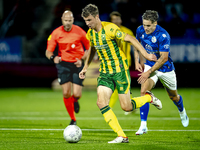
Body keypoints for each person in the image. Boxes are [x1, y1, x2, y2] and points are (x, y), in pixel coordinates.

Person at [79, 4, 162, 143]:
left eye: (89, 20)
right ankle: (122, 136)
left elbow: (131, 39)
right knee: (101, 102)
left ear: (97, 17)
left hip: (120, 71)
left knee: (127, 107)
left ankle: (149, 98)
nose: (87, 23)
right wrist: (85, 67)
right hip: (105, 72)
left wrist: (146, 55)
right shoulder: (90, 33)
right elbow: (92, 48)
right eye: (85, 20)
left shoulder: (110, 28)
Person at [134, 10, 189, 135]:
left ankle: (182, 111)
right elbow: (136, 45)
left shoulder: (163, 35)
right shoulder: (140, 29)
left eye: (148, 26)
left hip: (166, 69)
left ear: (155, 23)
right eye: (144, 25)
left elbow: (164, 58)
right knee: (143, 92)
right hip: (150, 65)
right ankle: (143, 125)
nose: (145, 28)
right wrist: (137, 61)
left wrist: (148, 72)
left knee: (173, 97)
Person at [45, 10, 90, 125]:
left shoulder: (80, 32)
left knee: (77, 94)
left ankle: (74, 101)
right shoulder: (55, 33)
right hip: (63, 64)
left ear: (73, 20)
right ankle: (73, 119)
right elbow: (48, 52)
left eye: (70, 20)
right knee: (66, 93)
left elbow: (89, 49)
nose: (68, 23)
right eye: (66, 20)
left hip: (77, 64)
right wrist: (53, 58)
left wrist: (82, 59)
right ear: (62, 20)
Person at [109, 11, 134, 109]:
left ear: (121, 20)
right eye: (113, 20)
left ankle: (108, 107)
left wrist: (138, 60)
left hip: (124, 62)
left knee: (116, 85)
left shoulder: (127, 32)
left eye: (117, 19)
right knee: (124, 84)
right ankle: (132, 105)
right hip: (113, 62)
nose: (115, 21)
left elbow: (136, 46)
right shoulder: (109, 32)